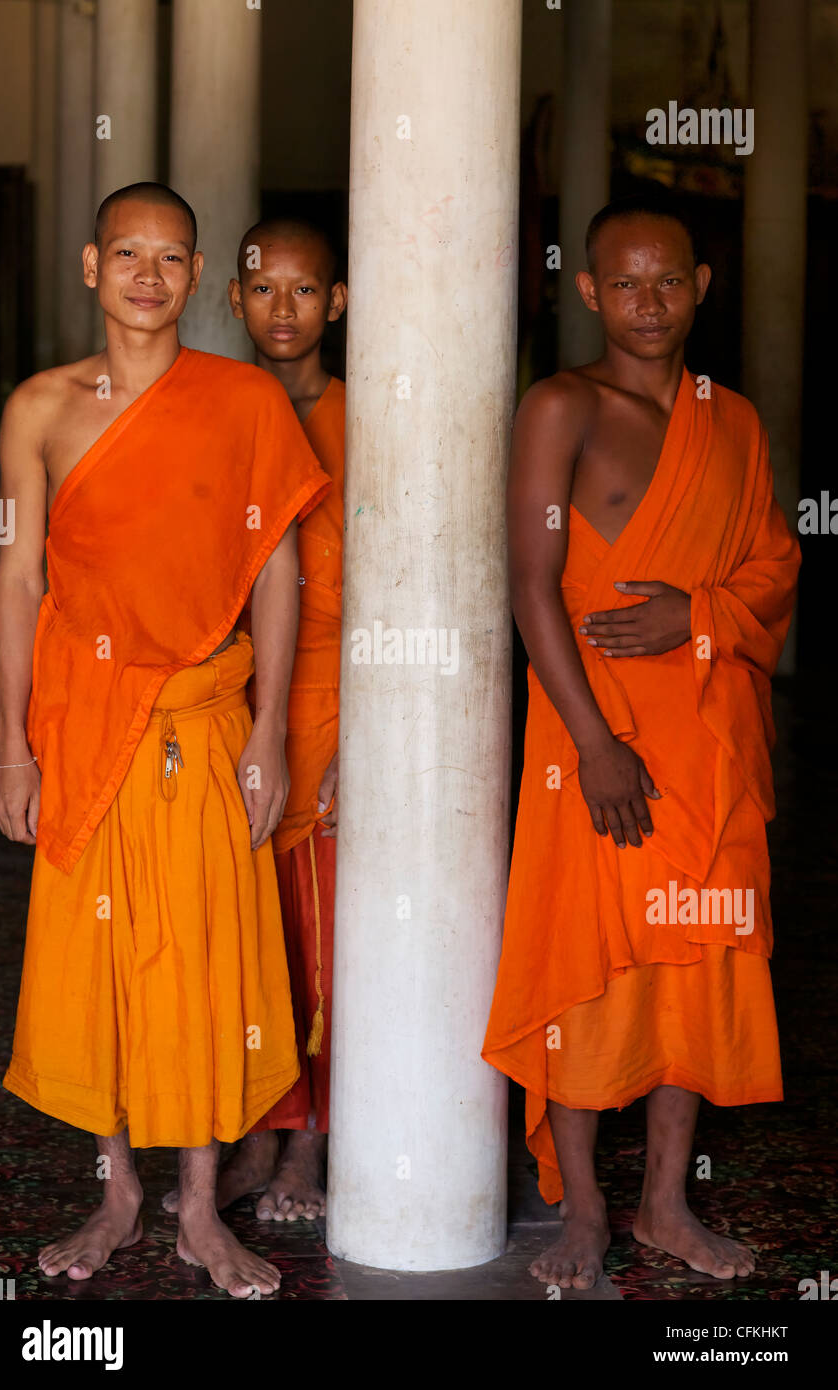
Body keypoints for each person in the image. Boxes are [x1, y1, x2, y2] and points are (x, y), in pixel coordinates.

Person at [0, 183, 332, 1298]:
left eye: (171, 256)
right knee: (104, 968)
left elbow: (273, 569)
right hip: (83, 727)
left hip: (204, 718)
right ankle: (117, 1192)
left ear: (196, 279)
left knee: (203, 966)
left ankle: (196, 1206)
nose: (148, 273)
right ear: (91, 267)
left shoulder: (241, 402)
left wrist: (270, 731)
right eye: (127, 253)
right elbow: (21, 577)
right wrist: (11, 744)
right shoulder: (42, 405)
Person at [482, 193, 801, 1291]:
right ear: (586, 291)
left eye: (668, 280)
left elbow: (772, 573)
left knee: (689, 965)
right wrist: (593, 741)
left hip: (707, 744)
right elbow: (529, 587)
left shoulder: (735, 420)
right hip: (595, 738)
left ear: (700, 285)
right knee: (584, 964)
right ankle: (579, 1211)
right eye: (623, 283)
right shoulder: (559, 405)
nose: (648, 302)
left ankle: (664, 1203)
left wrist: (697, 615)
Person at [164, 217, 346, 1223]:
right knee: (234, 932)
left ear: (338, 302)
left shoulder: (367, 417)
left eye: (305, 290)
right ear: (231, 300)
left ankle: (301, 1154)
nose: (283, 308)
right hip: (217, 695)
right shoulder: (206, 409)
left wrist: (370, 733)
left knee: (315, 938)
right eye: (263, 289)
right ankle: (245, 1126)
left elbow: (400, 588)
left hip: (323, 694)